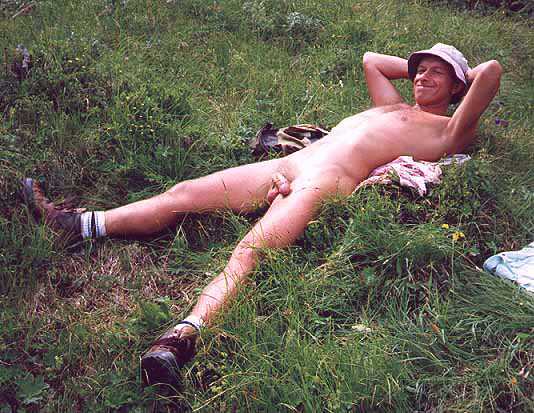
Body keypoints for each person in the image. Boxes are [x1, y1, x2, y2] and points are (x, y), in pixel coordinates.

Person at [22, 43, 502, 385]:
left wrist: (458, 75)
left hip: (322, 182)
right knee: (183, 192)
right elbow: (371, 60)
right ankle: (77, 224)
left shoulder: (449, 131)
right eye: (419, 70)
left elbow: (493, 70)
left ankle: (181, 338)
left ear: (457, 87)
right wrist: (427, 65)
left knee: (249, 252)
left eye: (436, 74)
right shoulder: (389, 107)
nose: (421, 77)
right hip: (288, 166)